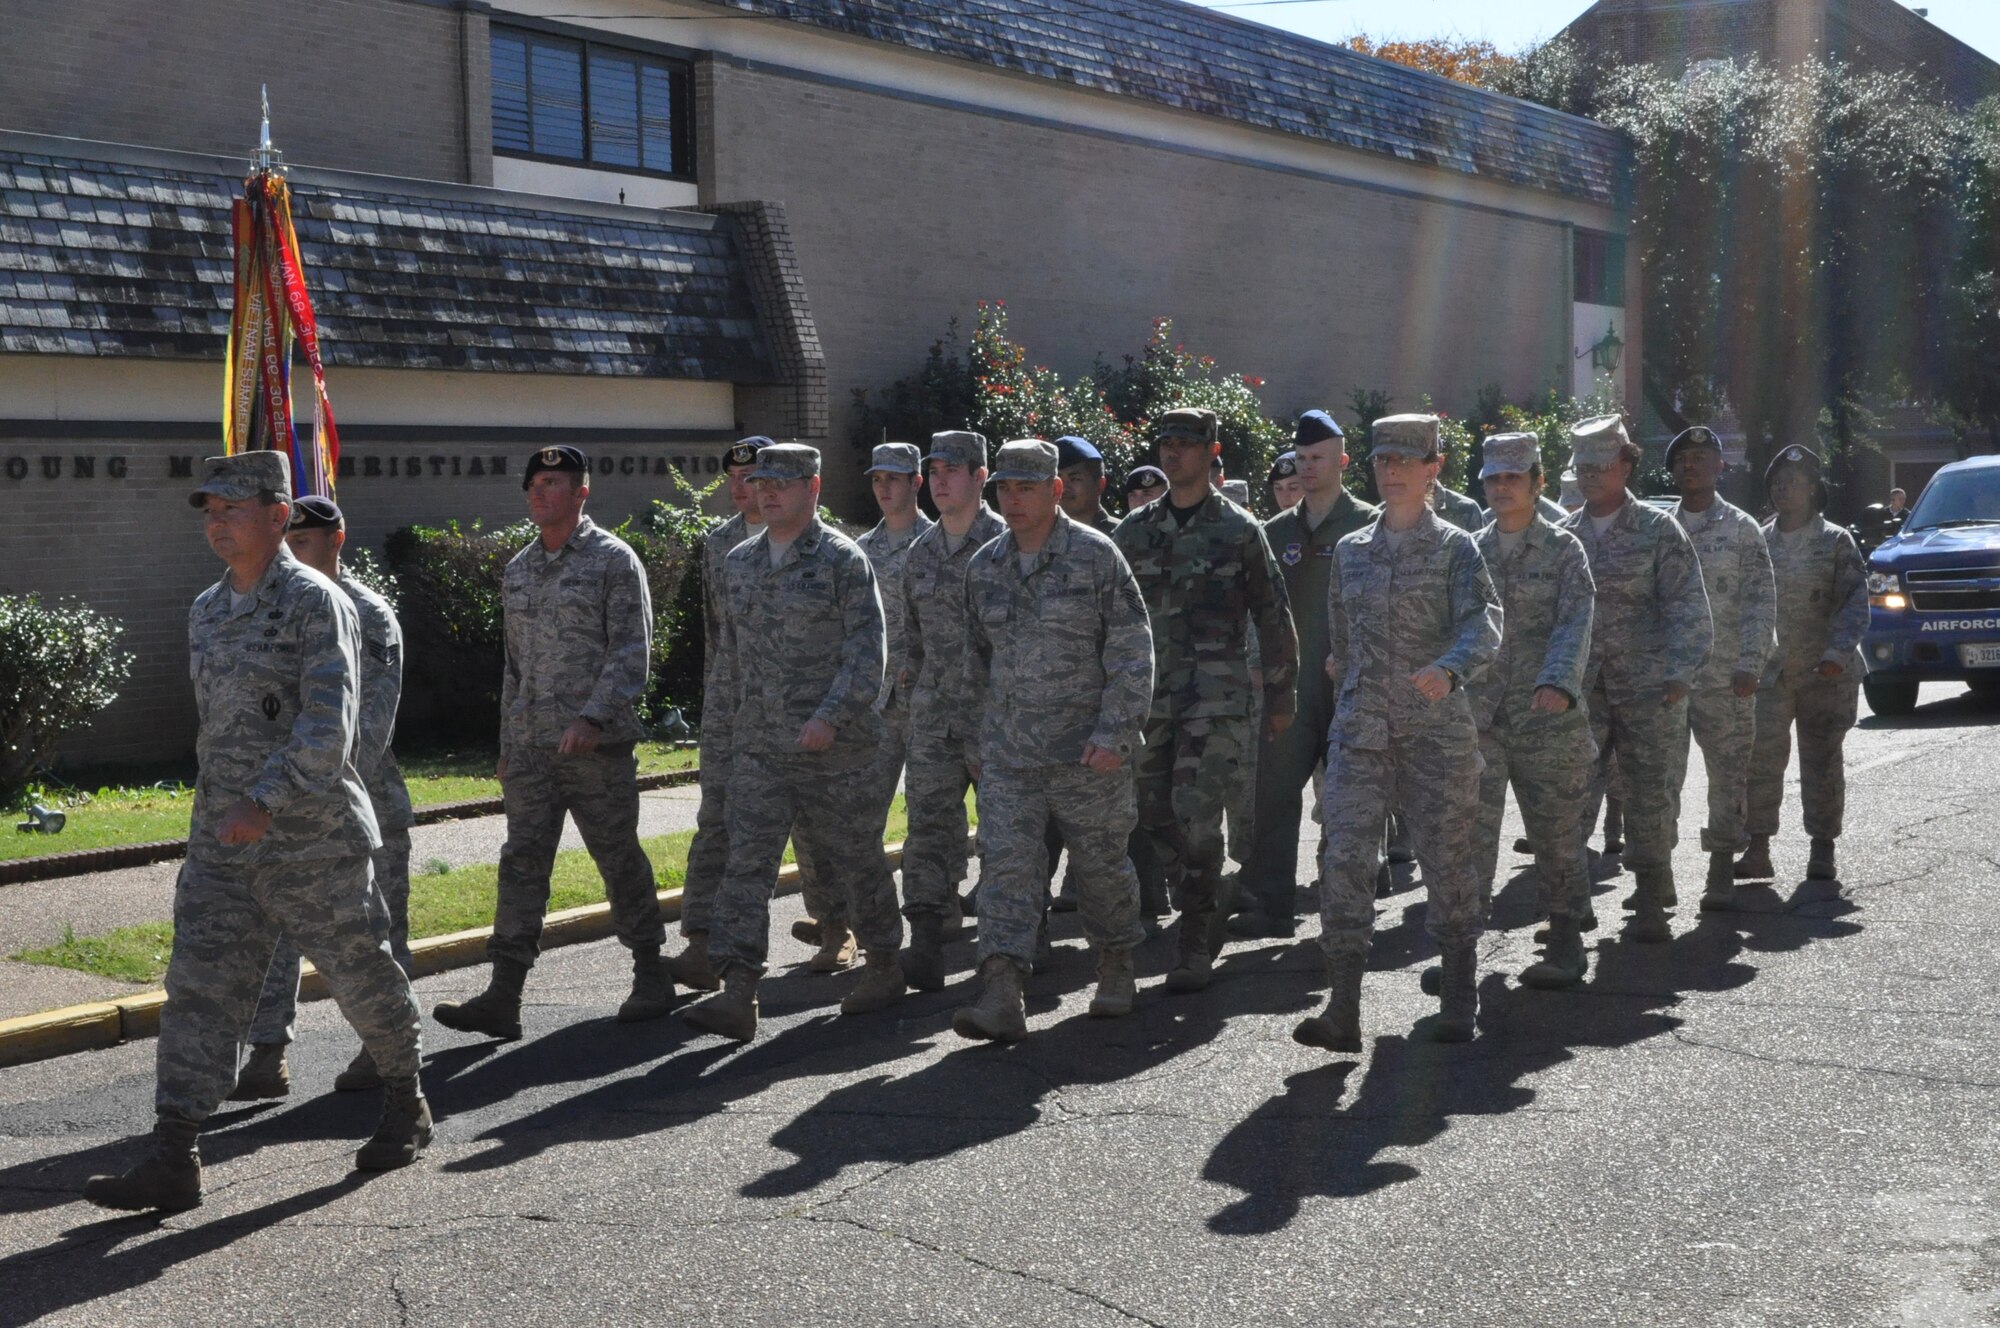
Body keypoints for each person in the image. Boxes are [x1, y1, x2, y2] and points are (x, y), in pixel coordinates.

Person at [85, 454, 428, 1214]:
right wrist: (219, 813)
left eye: (233, 508)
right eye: (209, 510)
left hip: (313, 838)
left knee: (363, 975)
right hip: (224, 840)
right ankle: (175, 1152)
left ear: (279, 516)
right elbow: (218, 729)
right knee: (199, 989)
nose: (217, 522)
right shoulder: (206, 608)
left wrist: (265, 799)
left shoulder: (317, 601)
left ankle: (405, 1101)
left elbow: (328, 726)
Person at [434, 446, 670, 1041]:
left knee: (617, 859)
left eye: (554, 483)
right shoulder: (519, 568)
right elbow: (514, 668)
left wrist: (592, 718)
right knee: (521, 865)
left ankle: (650, 971)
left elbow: (632, 651)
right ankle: (504, 995)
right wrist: (509, 742)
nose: (540, 493)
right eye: (534, 483)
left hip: (597, 749)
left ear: (581, 492)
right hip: (534, 750)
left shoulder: (614, 560)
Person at [1293, 415, 1502, 1052]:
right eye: (1384, 460)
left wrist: (1449, 667)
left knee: (1448, 864)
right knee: (1344, 862)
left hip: (1434, 735)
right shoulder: (1352, 551)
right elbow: (1341, 634)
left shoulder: (1456, 549)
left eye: (1407, 461)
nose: (1393, 471)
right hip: (1360, 734)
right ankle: (1344, 1008)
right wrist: (1342, 671)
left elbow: (1485, 623)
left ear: (1434, 469)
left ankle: (1460, 996)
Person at [683, 444, 905, 1041]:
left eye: (781, 483)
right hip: (760, 746)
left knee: (857, 859)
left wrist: (831, 717)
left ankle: (884, 962)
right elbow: (729, 661)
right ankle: (738, 991)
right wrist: (725, 735)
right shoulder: (739, 563)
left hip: (837, 748)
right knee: (746, 864)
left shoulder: (841, 559)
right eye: (761, 483)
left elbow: (868, 654)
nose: (767, 492)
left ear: (813, 487)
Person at [955, 440, 1156, 1041]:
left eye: (1026, 488)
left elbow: (1132, 652)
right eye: (1004, 490)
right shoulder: (984, 567)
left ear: (1056, 490)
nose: (1012, 501)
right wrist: (976, 746)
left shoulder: (1097, 558)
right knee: (1007, 871)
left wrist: (1115, 734)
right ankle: (1002, 991)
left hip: (1086, 756)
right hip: (1011, 755)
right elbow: (974, 667)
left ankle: (1117, 964)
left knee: (1100, 871)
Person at [232, 494, 418, 1098]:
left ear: (337, 542)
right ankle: (267, 1053)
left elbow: (366, 729)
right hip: (283, 804)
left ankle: (384, 1052)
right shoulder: (275, 609)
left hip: (358, 808)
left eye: (306, 543)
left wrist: (301, 787)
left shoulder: (369, 614)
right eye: (291, 544)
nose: (295, 555)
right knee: (276, 932)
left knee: (372, 936)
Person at [1114, 407, 1298, 992]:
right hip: (1150, 700)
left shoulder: (1241, 530)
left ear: (1210, 451)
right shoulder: (1134, 532)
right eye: (1165, 443)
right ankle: (1211, 889)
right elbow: (1109, 619)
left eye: (1186, 445)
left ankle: (1194, 941)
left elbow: (1274, 616)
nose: (1173, 454)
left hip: (1217, 700)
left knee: (1197, 820)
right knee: (1147, 812)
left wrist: (1281, 696)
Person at [1561, 417, 1713, 943]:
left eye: (1602, 466)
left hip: (1649, 686)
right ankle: (1570, 904)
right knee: (1572, 791)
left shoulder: (1656, 529)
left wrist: (1679, 671)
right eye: (1582, 468)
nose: (1590, 477)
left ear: (1626, 465)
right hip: (1581, 691)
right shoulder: (1565, 536)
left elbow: (1689, 605)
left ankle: (1651, 894)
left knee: (1650, 792)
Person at [1236, 410, 1377, 939]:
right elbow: (1256, 606)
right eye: (1301, 459)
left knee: (1349, 802)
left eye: (1318, 458)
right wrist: (1258, 664)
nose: (1309, 467)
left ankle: (1345, 908)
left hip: (1349, 685)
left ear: (1342, 461)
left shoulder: (1369, 524)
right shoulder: (1274, 532)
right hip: (1289, 687)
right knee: (1273, 794)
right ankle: (1271, 905)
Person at [1466, 434, 1596, 988]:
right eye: (1493, 478)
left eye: (1513, 478)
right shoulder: (1468, 550)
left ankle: (1565, 940)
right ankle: (1460, 958)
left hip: (1548, 716)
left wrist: (1559, 681)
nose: (1501, 487)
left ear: (1538, 483)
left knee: (1557, 834)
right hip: (1482, 719)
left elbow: (1576, 619)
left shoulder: (1565, 550)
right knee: (1470, 837)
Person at [810, 441, 936, 964]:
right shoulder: (861, 550)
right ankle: (842, 926)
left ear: (916, 482)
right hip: (878, 706)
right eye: (876, 479)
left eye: (894, 478)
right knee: (856, 819)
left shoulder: (944, 542)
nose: (884, 487)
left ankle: (934, 916)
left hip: (932, 703)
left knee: (932, 819)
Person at [897, 431, 1007, 990]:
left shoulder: (1008, 545)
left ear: (981, 476)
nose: (939, 479)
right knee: (928, 832)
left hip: (999, 721)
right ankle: (925, 942)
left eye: (952, 469)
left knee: (1007, 835)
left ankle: (1010, 945)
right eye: (933, 469)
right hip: (935, 720)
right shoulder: (921, 553)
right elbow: (912, 644)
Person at [1738, 445, 1868, 883]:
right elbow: (1744, 603)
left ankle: (1822, 849)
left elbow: (1855, 603)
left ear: (1812, 489)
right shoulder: (1759, 539)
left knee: (1822, 760)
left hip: (1825, 675)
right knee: (1761, 760)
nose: (1782, 490)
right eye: (1776, 483)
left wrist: (1836, 655)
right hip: (1772, 674)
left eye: (1791, 483)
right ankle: (1758, 848)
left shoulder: (1836, 541)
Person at [1665, 426, 1776, 911]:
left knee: (1727, 775)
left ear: (1719, 467)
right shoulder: (1658, 529)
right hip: (1668, 679)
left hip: (1726, 676)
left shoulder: (1741, 528)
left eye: (1701, 457)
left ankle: (1719, 872)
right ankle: (1657, 875)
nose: (1691, 465)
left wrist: (1751, 663)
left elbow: (1761, 601)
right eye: (1683, 458)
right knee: (1657, 778)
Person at [1055, 435, 1120, 534]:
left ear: (1100, 485)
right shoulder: (1039, 537)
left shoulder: (1123, 535)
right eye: (1058, 479)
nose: (1064, 488)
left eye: (1074, 479)